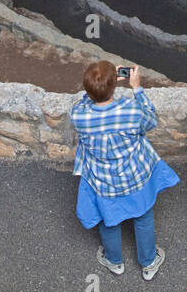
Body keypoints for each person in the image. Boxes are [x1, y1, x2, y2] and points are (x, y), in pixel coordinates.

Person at [70, 61, 180, 280]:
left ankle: (114, 261)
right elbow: (151, 120)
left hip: (102, 181)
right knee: (143, 217)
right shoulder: (131, 111)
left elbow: (84, 103)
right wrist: (136, 87)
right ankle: (148, 263)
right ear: (114, 87)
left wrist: (98, 87)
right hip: (134, 177)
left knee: (109, 220)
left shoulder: (79, 117)